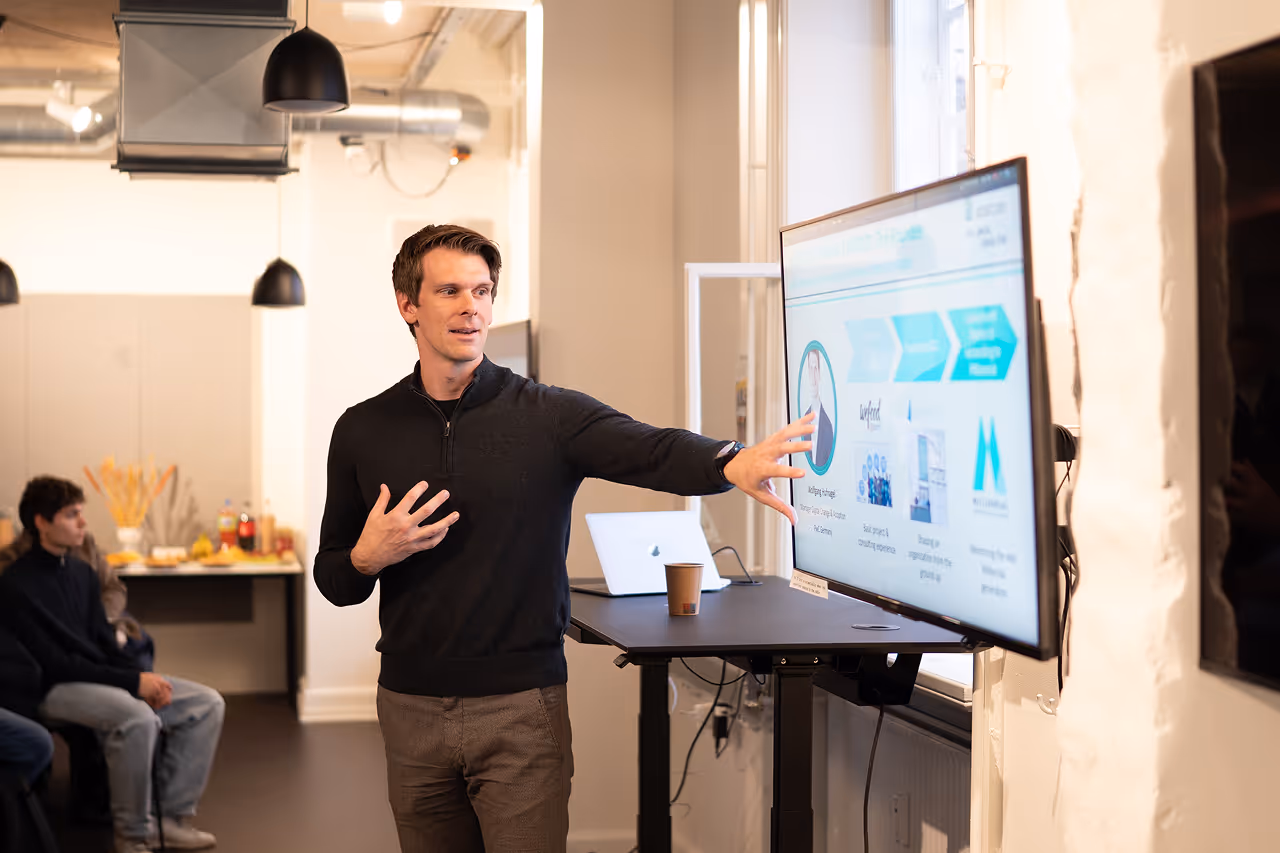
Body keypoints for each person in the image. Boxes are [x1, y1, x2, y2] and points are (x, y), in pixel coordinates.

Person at [314, 224, 814, 853]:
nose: (471, 307)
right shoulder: (362, 430)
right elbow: (334, 579)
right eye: (449, 291)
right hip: (409, 707)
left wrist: (728, 462)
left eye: (483, 291)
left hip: (522, 708)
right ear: (407, 304)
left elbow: (649, 447)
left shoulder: (547, 414)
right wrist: (368, 556)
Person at [0, 477, 225, 853]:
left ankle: (168, 820)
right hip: (48, 687)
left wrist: (141, 674)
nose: (83, 524)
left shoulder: (82, 573)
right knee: (136, 717)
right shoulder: (16, 583)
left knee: (205, 704)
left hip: (89, 674)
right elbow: (55, 663)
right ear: (41, 521)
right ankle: (132, 834)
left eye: (81, 514)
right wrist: (131, 682)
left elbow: (99, 642)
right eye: (72, 515)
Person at [803, 348, 835, 469]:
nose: (813, 378)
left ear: (820, 374)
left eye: (815, 368)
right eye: (810, 369)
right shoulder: (802, 422)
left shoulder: (828, 427)